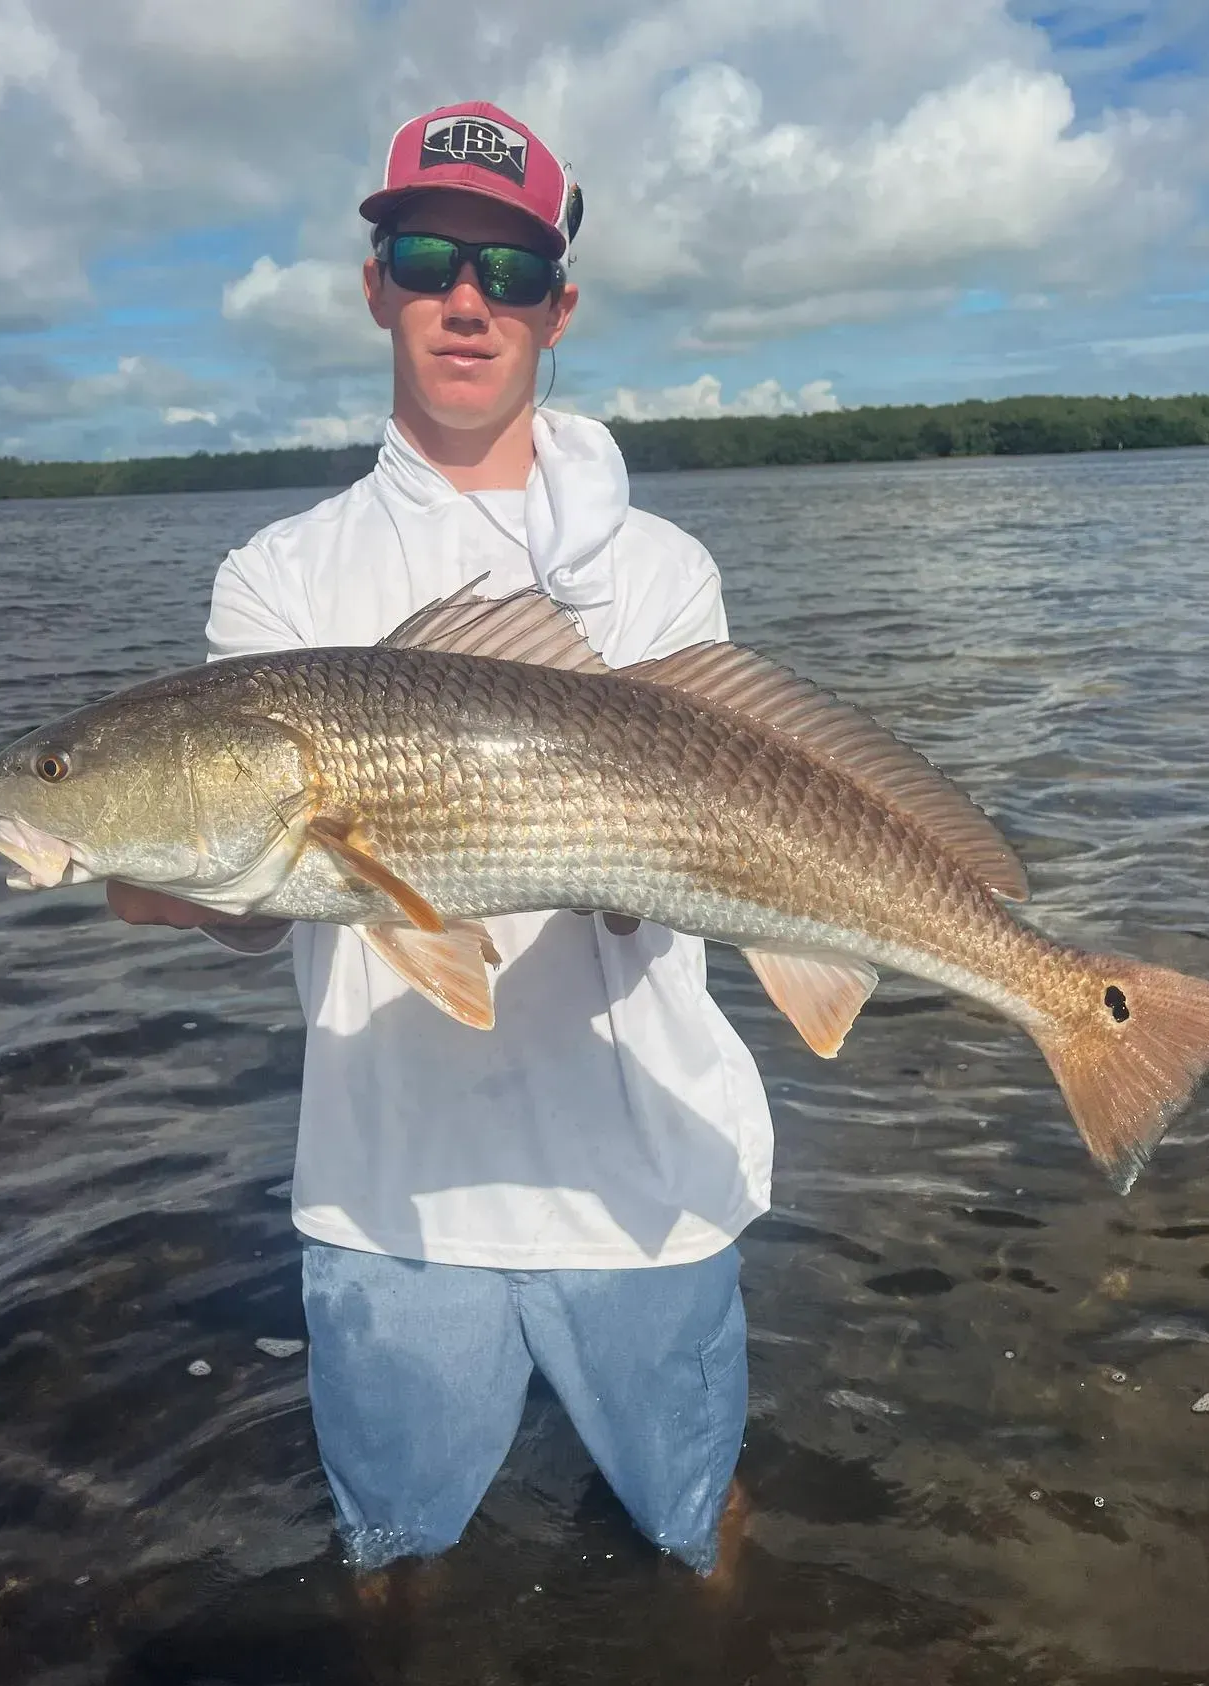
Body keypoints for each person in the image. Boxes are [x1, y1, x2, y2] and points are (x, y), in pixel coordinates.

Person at [108, 102, 774, 1579]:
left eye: (510, 271)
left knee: (702, 1536)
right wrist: (168, 881)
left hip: (648, 1179)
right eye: (425, 256)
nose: (466, 298)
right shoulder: (276, 581)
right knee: (396, 1565)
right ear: (374, 286)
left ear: (559, 310)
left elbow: (704, 863)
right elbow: (256, 894)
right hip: (390, 1192)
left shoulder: (663, 570)